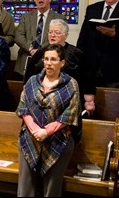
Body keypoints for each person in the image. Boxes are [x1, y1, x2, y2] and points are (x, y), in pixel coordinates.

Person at [16, 43, 81, 197]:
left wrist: (47, 131)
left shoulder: (71, 84)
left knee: (51, 190)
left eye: (53, 59)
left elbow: (70, 114)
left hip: (58, 142)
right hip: (30, 140)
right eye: (46, 59)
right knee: (25, 189)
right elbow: (23, 107)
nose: (49, 63)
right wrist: (35, 130)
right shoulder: (32, 81)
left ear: (62, 62)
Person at [25, 19, 96, 115]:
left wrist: (89, 100)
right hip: (42, 99)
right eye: (50, 32)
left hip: (69, 99)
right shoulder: (40, 52)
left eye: (57, 33)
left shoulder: (76, 53)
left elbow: (88, 77)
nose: (52, 35)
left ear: (66, 35)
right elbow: (29, 74)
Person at [13, 0, 66, 80]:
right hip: (26, 59)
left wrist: (40, 51)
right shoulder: (26, 17)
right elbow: (18, 36)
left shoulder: (59, 18)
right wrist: (30, 48)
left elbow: (58, 39)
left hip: (48, 61)